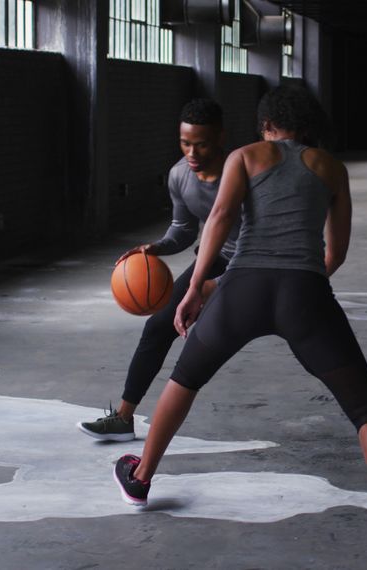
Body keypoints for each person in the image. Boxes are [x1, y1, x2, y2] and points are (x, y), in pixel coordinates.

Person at [111, 86, 367, 552]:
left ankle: (140, 478)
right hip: (304, 294)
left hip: (241, 288)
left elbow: (221, 218)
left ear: (266, 124)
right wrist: (304, 280)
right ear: (308, 126)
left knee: (185, 378)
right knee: (366, 409)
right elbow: (336, 252)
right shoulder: (332, 168)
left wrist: (198, 289)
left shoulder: (244, 156)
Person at [77, 99, 237, 442]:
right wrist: (156, 248)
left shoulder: (243, 174)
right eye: (185, 142)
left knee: (302, 335)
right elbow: (183, 230)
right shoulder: (180, 175)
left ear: (221, 138)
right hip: (215, 257)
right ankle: (123, 417)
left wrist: (216, 286)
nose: (191, 152)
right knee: (158, 327)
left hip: (256, 261)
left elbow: (260, 235)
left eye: (202, 143)